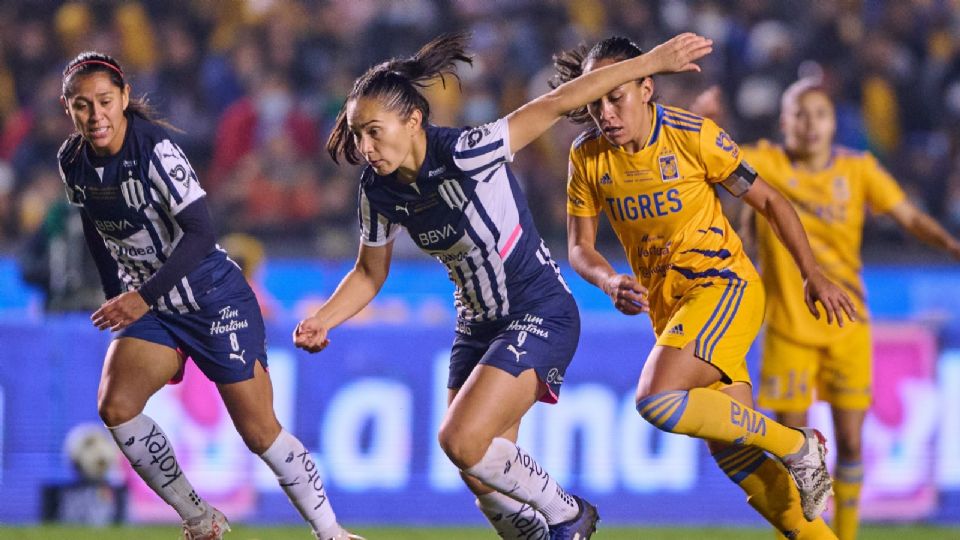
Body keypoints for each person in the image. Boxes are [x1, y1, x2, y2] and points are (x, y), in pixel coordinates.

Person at [293, 31, 714, 540]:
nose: (364, 147)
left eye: (374, 132)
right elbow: (368, 273)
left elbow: (558, 102)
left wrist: (650, 61)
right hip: (476, 325)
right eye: (358, 135)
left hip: (537, 310)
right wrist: (323, 319)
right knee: (480, 473)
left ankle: (567, 514)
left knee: (460, 440)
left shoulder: (469, 151)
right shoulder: (376, 190)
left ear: (413, 120)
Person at [554, 37, 857, 539]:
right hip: (673, 313)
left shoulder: (694, 136)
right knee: (741, 458)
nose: (604, 112)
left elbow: (772, 203)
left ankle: (797, 444)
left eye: (616, 96)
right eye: (595, 100)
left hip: (725, 288)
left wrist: (813, 274)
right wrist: (609, 280)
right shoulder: (586, 157)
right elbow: (580, 248)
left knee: (657, 400)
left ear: (647, 88)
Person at [57, 52, 361, 540]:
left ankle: (332, 533)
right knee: (116, 407)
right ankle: (200, 517)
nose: (96, 116)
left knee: (260, 431)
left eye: (105, 102)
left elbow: (201, 232)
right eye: (82, 106)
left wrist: (141, 296)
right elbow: (96, 230)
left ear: (125, 98)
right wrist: (120, 297)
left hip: (212, 298)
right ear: (67, 108)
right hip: (152, 306)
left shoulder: (155, 150)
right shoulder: (72, 161)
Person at [693, 78, 960, 540]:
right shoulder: (768, 161)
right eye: (800, 113)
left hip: (847, 327)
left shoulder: (858, 169)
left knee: (851, 443)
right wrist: (706, 118)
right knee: (793, 449)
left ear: (834, 123)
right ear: (784, 122)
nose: (810, 123)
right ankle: (796, 535)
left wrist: (951, 245)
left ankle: (847, 535)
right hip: (788, 328)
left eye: (820, 114)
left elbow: (910, 217)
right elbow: (713, 157)